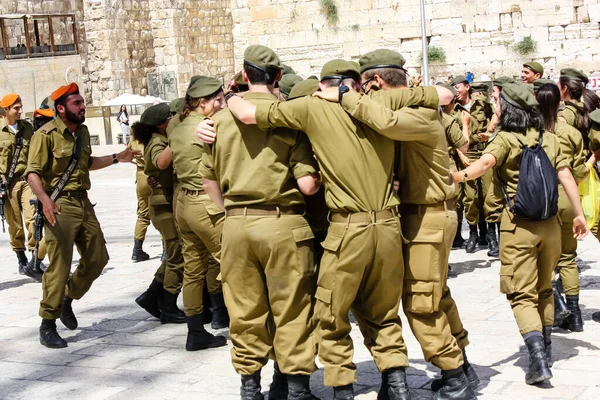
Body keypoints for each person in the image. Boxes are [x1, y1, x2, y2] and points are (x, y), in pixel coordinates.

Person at [200, 56, 454, 399]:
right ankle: (397, 386)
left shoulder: (310, 108)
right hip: (390, 227)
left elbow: (248, 116)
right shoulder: (377, 103)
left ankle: (341, 389)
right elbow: (443, 94)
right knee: (383, 312)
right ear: (360, 82)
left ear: (323, 86)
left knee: (329, 315)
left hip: (347, 228)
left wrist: (229, 97)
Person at [348, 49, 478, 397]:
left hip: (429, 217)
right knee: (438, 294)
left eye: (366, 87)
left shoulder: (417, 113)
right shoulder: (414, 106)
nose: (364, 95)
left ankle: (454, 378)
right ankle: (462, 364)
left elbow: (385, 121)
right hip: (423, 216)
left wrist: (346, 96)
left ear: (376, 82)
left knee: (421, 302)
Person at [199, 45, 321, 400]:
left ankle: (250, 388)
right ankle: (296, 390)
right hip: (284, 225)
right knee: (293, 308)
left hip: (236, 225)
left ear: (244, 74)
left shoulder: (217, 122)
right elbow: (307, 185)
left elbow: (208, 181)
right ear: (277, 77)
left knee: (244, 311)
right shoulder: (287, 116)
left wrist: (233, 211)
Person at [451, 83, 588, 385]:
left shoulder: (505, 140)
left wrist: (456, 176)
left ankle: (538, 360)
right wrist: (578, 214)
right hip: (550, 225)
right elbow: (565, 175)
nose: (495, 106)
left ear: (508, 109)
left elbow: (484, 164)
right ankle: (549, 349)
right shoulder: (549, 138)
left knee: (521, 294)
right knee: (543, 289)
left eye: (498, 102)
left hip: (519, 227)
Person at [25, 83, 139, 348]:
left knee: (98, 258)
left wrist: (116, 158)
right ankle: (48, 323)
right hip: (59, 205)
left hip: (83, 203)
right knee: (60, 265)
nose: (82, 106)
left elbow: (86, 163)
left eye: (82, 102)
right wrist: (44, 201)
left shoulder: (83, 132)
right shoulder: (45, 135)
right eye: (77, 103)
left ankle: (67, 297)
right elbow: (32, 173)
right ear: (61, 108)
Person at [169, 76, 229, 351]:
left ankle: (195, 331)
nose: (221, 104)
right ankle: (245, 326)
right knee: (231, 264)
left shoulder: (176, 124)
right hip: (207, 205)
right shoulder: (207, 127)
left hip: (183, 203)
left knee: (193, 269)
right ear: (203, 102)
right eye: (217, 100)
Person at [131, 103, 186, 325]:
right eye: (170, 119)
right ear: (162, 124)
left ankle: (152, 296)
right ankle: (168, 304)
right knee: (177, 257)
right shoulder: (157, 142)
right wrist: (177, 137)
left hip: (166, 203)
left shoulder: (159, 140)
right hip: (162, 205)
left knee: (175, 254)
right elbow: (160, 161)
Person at [1, 93, 46, 280]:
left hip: (27, 180)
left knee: (33, 218)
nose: (20, 111)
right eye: (16, 108)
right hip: (7, 183)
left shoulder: (27, 128)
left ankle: (35, 257)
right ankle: (20, 257)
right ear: (6, 110)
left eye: (20, 107)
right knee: (15, 224)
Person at [452, 76, 495, 254]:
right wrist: (460, 154)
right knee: (470, 197)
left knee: (488, 194)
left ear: (467, 87)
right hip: (466, 154)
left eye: (458, 87)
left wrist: (489, 131)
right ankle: (473, 233)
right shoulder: (453, 109)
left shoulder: (481, 103)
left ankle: (491, 235)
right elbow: (452, 135)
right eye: (453, 87)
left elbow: (495, 116)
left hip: (484, 151)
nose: (456, 90)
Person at [129, 136, 151, 262]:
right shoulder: (155, 137)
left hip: (141, 176)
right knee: (163, 211)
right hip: (155, 175)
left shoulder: (134, 139)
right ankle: (166, 250)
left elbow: (128, 154)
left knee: (143, 214)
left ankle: (137, 249)